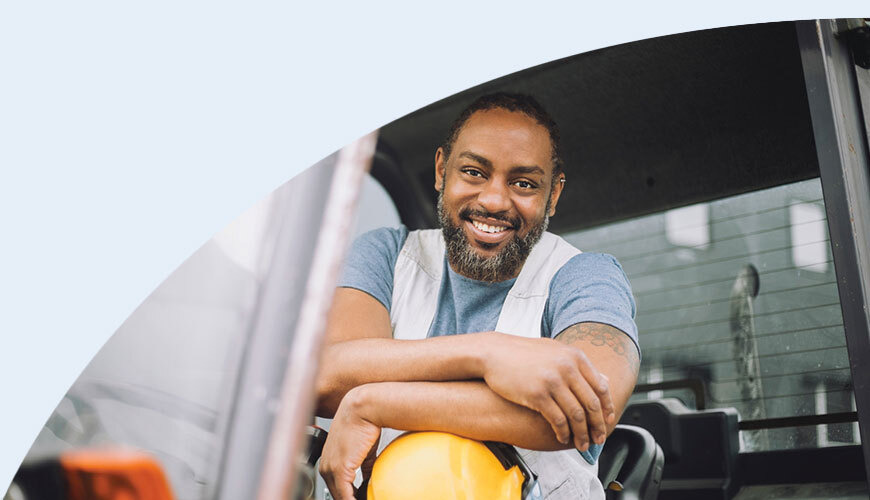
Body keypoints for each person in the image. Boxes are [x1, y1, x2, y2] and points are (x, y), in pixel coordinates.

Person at [315, 93, 640, 500]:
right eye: (473, 172)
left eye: (523, 183)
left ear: (552, 195)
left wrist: (373, 402)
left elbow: (588, 409)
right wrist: (486, 354)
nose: (493, 201)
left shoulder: (585, 276)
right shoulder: (385, 254)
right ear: (441, 170)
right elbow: (325, 377)